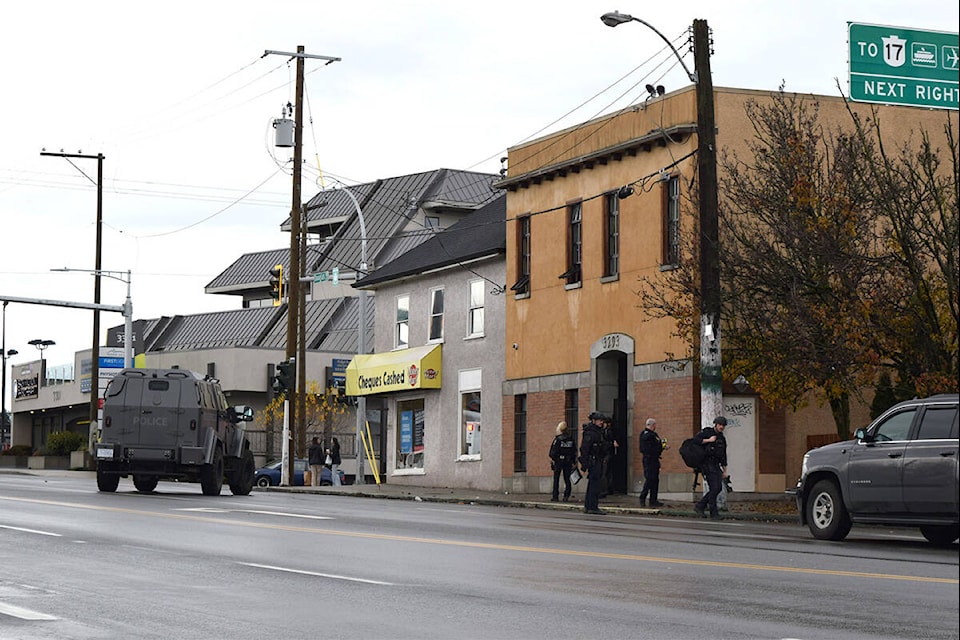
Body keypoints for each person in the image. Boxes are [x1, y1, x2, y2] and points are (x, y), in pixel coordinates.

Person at [694, 416, 729, 518]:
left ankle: (700, 506)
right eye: (720, 425)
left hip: (716, 464)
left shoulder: (722, 438)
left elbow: (723, 455)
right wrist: (708, 440)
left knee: (718, 488)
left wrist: (725, 471)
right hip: (706, 464)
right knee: (714, 488)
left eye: (723, 425)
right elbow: (696, 440)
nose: (721, 427)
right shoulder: (707, 432)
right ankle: (713, 513)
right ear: (716, 424)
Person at [578, 412, 607, 515]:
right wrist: (585, 463)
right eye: (599, 420)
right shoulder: (591, 433)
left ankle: (589, 506)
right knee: (594, 484)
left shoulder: (598, 431)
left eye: (602, 420)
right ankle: (592, 506)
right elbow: (584, 449)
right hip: (594, 461)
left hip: (597, 460)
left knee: (594, 484)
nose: (601, 422)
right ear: (594, 421)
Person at [638, 418, 668, 507]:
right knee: (650, 479)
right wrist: (659, 448)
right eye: (654, 425)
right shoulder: (646, 435)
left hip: (654, 459)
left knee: (655, 480)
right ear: (651, 425)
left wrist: (662, 447)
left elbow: (658, 444)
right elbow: (647, 448)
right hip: (649, 459)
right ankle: (642, 497)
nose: (655, 427)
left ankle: (653, 500)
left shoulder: (653, 434)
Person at [548, 421, 577, 502]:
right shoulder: (571, 439)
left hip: (559, 461)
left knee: (556, 478)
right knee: (567, 478)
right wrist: (573, 462)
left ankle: (555, 496)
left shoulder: (558, 439)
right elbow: (574, 451)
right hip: (568, 461)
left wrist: (554, 459)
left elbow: (552, 452)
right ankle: (566, 495)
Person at [599, 417, 620, 498]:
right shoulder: (609, 431)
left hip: (608, 453)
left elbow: (606, 443)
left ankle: (606, 489)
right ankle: (609, 488)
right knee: (608, 472)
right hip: (610, 453)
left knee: (605, 472)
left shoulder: (607, 431)